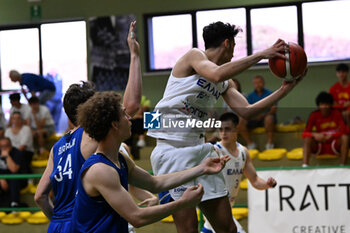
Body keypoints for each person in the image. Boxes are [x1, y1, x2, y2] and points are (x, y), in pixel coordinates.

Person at [147, 21, 305, 233]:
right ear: (227, 43)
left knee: (227, 228)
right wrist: (261, 54)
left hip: (200, 151)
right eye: (234, 47)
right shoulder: (194, 56)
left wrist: (285, 90)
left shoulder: (225, 82)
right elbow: (216, 74)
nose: (234, 53)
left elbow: (247, 111)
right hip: (171, 152)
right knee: (188, 229)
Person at [34, 21, 144, 233]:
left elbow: (39, 196)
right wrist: (134, 56)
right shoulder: (89, 136)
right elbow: (131, 106)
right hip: (83, 223)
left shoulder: (57, 148)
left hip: (57, 225)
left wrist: (57, 220)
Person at [70, 91, 229, 232]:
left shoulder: (120, 159)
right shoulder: (101, 170)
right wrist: (183, 203)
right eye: (124, 114)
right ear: (114, 125)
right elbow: (137, 217)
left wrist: (201, 168)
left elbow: (154, 183)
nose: (130, 117)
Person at [201, 112, 277, 233]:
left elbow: (255, 181)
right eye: (220, 129)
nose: (223, 133)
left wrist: (267, 184)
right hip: (214, 209)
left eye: (227, 129)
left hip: (227, 210)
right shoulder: (214, 151)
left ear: (236, 129)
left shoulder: (243, 152)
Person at [302, 92, 349, 166]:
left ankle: (342, 165)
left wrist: (333, 135)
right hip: (320, 145)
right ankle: (305, 166)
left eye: (327, 104)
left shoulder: (336, 113)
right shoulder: (314, 115)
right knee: (307, 139)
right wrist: (315, 135)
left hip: (334, 145)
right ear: (319, 105)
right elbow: (304, 134)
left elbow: (345, 131)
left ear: (331, 105)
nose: (325, 106)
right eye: (322, 104)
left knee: (345, 138)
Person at [237, 75, 277, 150]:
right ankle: (250, 144)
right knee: (240, 121)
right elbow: (247, 110)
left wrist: (262, 116)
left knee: (269, 119)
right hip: (253, 119)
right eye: (255, 83)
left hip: (266, 118)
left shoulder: (270, 93)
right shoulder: (250, 96)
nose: (258, 85)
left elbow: (273, 110)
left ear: (263, 83)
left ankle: (270, 144)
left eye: (260, 82)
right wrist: (254, 116)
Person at [0, 137, 27, 208]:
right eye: (2, 146)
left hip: (19, 180)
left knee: (14, 176)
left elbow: (14, 169)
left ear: (11, 145)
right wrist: (1, 178)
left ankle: (14, 204)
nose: (4, 148)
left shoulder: (17, 153)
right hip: (3, 179)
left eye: (7, 146)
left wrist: (7, 156)